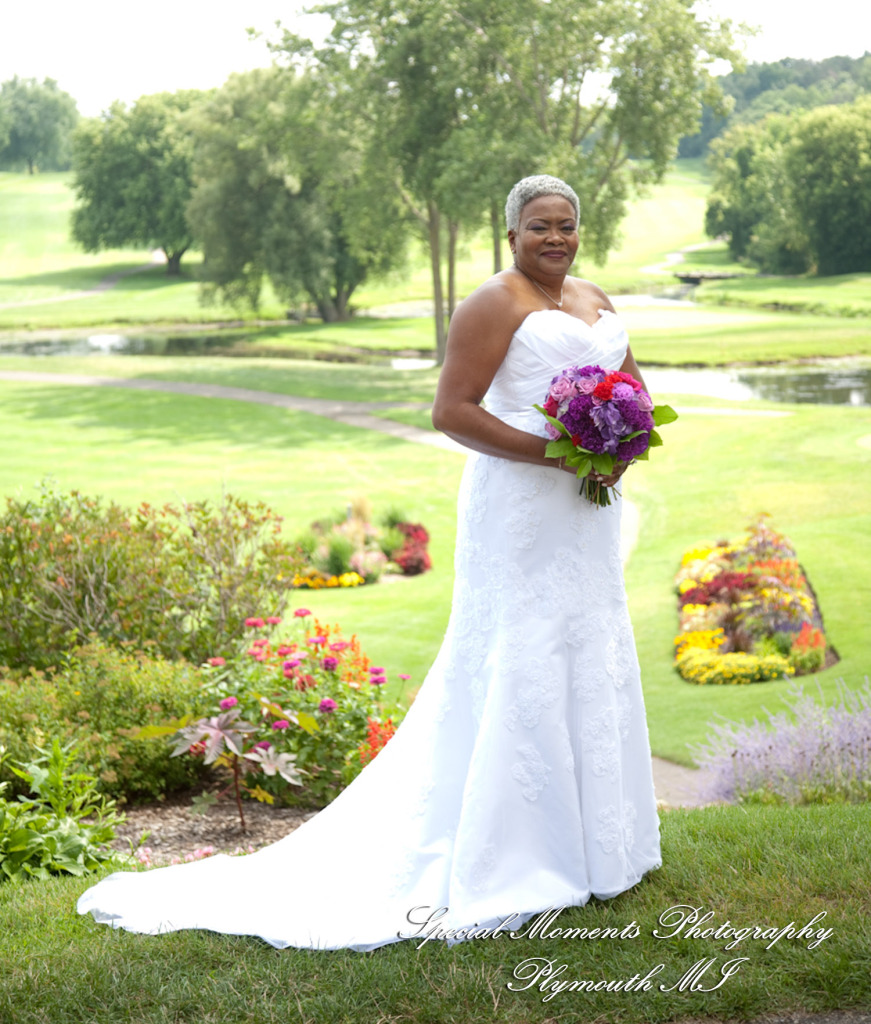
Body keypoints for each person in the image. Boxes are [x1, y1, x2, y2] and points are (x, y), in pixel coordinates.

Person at [77, 174, 661, 951]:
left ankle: (602, 845)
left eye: (565, 225)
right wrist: (562, 457)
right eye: (538, 227)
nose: (554, 238)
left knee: (589, 648)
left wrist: (620, 447)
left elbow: (636, 396)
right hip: (522, 506)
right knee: (521, 652)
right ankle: (519, 853)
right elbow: (451, 411)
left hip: (587, 513)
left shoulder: (596, 299)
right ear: (510, 233)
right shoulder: (494, 301)